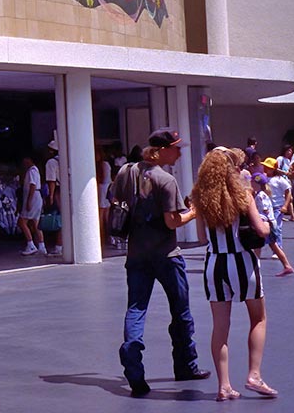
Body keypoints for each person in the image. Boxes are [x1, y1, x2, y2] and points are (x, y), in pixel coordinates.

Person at [115, 127, 209, 397]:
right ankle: (186, 365)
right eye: (176, 147)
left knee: (136, 309)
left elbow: (116, 203)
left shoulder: (125, 172)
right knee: (181, 312)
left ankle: (133, 365)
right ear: (163, 150)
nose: (179, 153)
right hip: (166, 255)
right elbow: (172, 221)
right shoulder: (166, 180)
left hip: (136, 253)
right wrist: (194, 211)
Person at [195, 148, 276, 400]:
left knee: (220, 326)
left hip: (214, 264)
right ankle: (254, 375)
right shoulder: (243, 195)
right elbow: (261, 230)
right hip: (242, 262)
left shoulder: (200, 198)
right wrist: (266, 222)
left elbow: (200, 237)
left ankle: (224, 386)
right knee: (258, 318)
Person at [257, 159, 294, 276]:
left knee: (275, 230)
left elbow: (288, 191)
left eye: (268, 167)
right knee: (266, 241)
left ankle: (255, 264)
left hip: (276, 208)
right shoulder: (265, 180)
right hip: (270, 212)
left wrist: (285, 205)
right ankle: (284, 263)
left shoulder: (279, 180)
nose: (265, 169)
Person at [18, 154, 46, 256]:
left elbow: (32, 185)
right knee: (36, 223)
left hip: (33, 197)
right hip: (36, 197)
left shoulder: (32, 171)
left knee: (22, 222)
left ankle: (31, 244)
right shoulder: (35, 170)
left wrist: (29, 201)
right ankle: (41, 246)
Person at [44, 140, 63, 256]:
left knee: (61, 219)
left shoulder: (51, 162)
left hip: (59, 190)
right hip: (70, 189)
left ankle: (59, 245)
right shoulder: (66, 159)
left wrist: (50, 196)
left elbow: (51, 180)